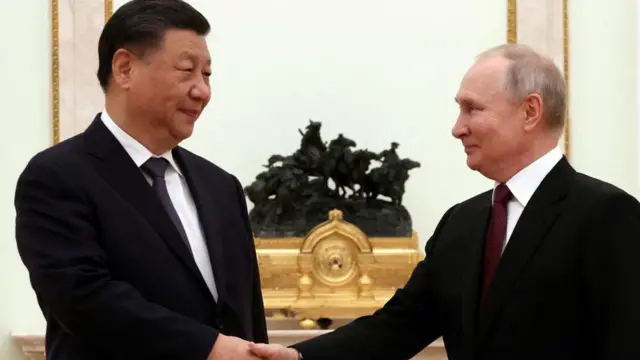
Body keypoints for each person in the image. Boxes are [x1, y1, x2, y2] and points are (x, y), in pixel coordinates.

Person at [248, 44, 640, 360]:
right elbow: (398, 326)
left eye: (473, 108)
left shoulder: (608, 216)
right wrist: (299, 359)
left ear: (530, 111)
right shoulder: (462, 223)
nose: (458, 128)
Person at [14, 1, 267, 359]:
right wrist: (207, 348)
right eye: (186, 70)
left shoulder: (221, 187)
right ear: (124, 68)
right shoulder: (57, 177)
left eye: (207, 74)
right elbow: (82, 300)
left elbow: (248, 316)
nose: (202, 92)